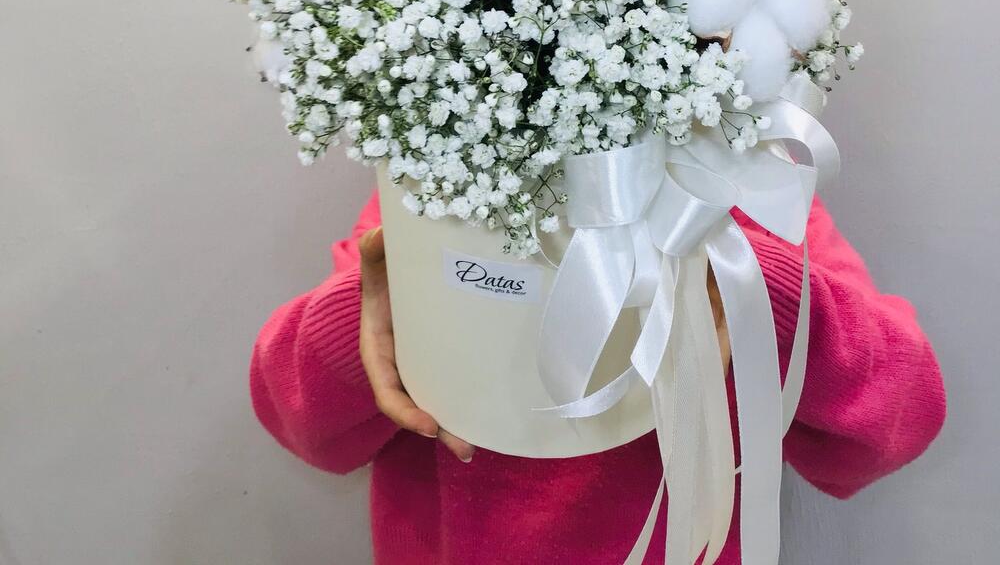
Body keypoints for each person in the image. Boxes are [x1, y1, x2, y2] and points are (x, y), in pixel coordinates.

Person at [250, 191, 945, 564]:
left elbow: (899, 417)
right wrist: (379, 306)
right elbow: (300, 419)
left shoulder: (746, 197)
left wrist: (757, 284)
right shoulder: (436, 201)